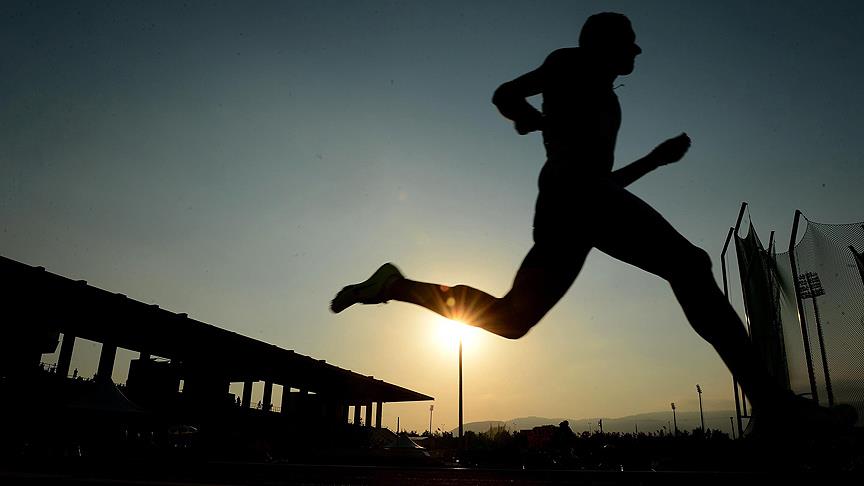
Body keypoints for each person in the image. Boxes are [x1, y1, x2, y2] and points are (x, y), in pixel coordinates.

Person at [331, 12, 854, 436]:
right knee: (689, 265)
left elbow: (605, 185)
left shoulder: (608, 102)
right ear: (605, 44)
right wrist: (527, 117)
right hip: (574, 193)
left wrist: (653, 161)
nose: (637, 52)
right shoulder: (570, 62)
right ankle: (773, 406)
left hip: (578, 201)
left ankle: (393, 286)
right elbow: (506, 93)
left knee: (512, 320)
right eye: (629, 42)